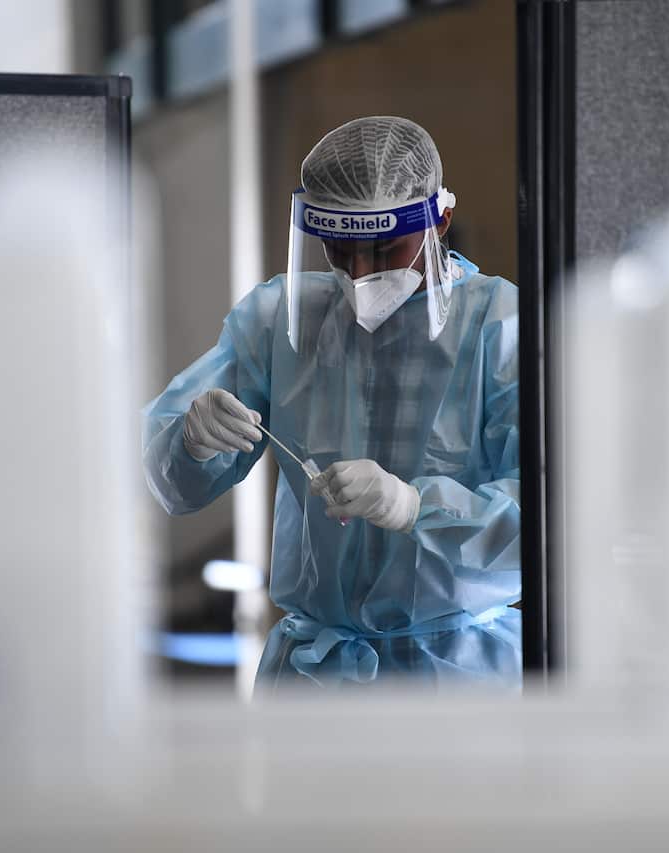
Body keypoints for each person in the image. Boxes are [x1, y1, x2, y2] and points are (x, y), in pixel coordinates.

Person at [141, 116, 520, 691]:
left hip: (460, 678)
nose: (360, 273)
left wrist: (417, 508)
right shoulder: (279, 322)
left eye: (385, 249)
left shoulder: (500, 326)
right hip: (314, 677)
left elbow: (551, 513)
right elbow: (173, 485)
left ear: (440, 217)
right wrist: (188, 442)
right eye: (340, 251)